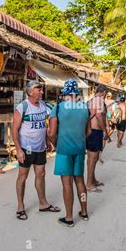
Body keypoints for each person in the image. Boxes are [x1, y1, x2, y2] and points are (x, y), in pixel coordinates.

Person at [12, 81, 59, 221]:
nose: (42, 92)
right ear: (31, 91)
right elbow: (14, 129)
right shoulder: (22, 107)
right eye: (39, 89)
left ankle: (43, 203)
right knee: (23, 176)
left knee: (41, 174)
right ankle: (20, 206)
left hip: (40, 147)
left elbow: (43, 125)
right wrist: (18, 150)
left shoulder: (43, 105)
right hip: (26, 147)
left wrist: (47, 141)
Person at [49, 79, 90, 227]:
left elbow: (52, 132)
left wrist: (55, 144)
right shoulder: (85, 108)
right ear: (76, 93)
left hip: (64, 150)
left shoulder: (58, 108)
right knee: (79, 181)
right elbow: (89, 131)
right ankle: (84, 212)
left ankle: (69, 217)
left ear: (65, 93)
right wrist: (79, 139)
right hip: (79, 149)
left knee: (67, 184)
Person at [86, 84, 108, 192]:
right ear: (104, 92)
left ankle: (92, 180)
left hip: (94, 131)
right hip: (95, 131)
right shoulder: (99, 100)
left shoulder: (93, 100)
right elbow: (99, 116)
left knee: (93, 158)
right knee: (92, 158)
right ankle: (89, 184)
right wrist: (105, 131)